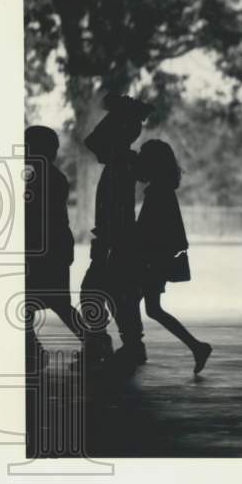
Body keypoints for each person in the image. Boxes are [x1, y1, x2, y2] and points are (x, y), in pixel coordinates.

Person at [80, 93, 154, 368]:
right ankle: (127, 344)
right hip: (116, 241)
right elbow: (94, 141)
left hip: (115, 242)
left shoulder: (121, 164)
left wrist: (108, 243)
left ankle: (110, 344)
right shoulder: (123, 162)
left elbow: (92, 141)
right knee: (116, 295)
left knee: (98, 293)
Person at [135, 140, 212, 374]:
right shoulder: (163, 189)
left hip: (152, 259)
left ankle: (195, 346)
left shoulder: (158, 192)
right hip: (158, 258)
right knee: (150, 308)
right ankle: (196, 347)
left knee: (139, 305)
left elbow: (150, 228)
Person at [23, 126, 88, 370]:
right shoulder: (54, 177)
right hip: (56, 247)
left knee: (31, 300)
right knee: (55, 301)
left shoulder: (36, 179)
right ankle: (93, 343)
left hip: (42, 249)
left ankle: (33, 350)